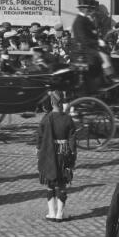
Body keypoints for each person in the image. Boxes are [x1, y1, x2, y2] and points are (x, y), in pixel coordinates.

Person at [37, 90, 77, 222]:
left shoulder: (46, 118)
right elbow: (72, 140)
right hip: (63, 154)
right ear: (62, 102)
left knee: (50, 183)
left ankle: (51, 212)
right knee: (62, 183)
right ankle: (60, 214)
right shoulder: (68, 119)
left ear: (51, 102)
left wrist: (38, 150)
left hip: (49, 153)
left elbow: (40, 137)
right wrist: (72, 155)